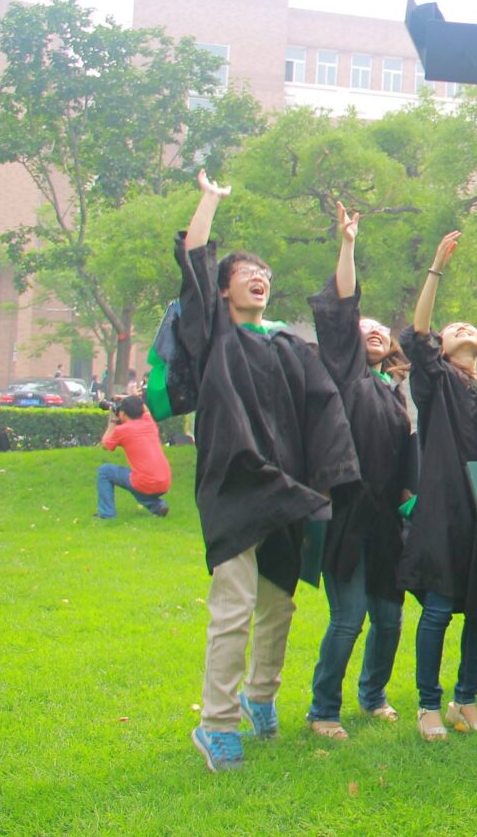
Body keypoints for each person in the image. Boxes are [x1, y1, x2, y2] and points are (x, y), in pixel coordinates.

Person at [176, 171, 361, 773]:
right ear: (224, 290)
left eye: (266, 276)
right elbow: (195, 264)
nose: (260, 280)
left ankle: (260, 696)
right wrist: (211, 201)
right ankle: (216, 723)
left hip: (283, 489)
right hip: (234, 484)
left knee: (278, 605)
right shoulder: (214, 338)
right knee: (232, 606)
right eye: (246, 274)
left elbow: (338, 328)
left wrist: (347, 248)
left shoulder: (286, 347)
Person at [398, 229, 477, 741]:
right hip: (445, 510)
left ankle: (465, 701)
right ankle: (428, 706)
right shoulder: (436, 383)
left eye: (465, 326)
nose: (459, 330)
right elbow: (420, 336)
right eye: (451, 330)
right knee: (437, 609)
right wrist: (435, 268)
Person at [303, 203, 415, 740]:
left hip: (385, 524)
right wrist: (347, 245)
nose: (371, 330)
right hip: (345, 515)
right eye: (361, 327)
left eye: (379, 330)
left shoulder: (396, 397)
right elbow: (342, 307)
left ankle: (373, 696)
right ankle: (323, 709)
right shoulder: (343, 372)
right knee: (348, 617)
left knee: (389, 620)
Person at [95, 395, 172, 519]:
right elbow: (143, 406)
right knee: (135, 479)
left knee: (105, 471)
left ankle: (106, 514)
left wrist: (113, 421)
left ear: (123, 413)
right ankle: (158, 506)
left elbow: (105, 444)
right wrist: (128, 398)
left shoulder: (122, 430)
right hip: (165, 481)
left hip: (145, 482)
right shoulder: (149, 422)